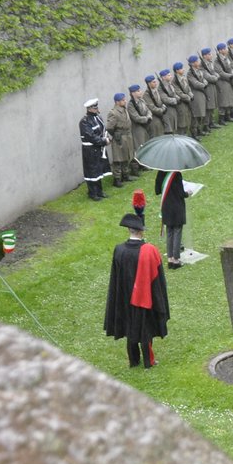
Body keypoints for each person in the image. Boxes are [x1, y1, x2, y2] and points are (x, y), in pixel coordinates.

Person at [104, 212, 169, 369]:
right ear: (141, 231)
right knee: (145, 328)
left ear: (129, 231)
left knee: (129, 326)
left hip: (124, 298)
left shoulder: (119, 250)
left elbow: (116, 278)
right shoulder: (149, 250)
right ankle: (149, 361)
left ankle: (133, 361)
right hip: (144, 297)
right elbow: (158, 280)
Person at [79, 98, 110, 200]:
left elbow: (102, 131)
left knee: (98, 170)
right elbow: (90, 136)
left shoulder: (97, 117)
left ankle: (99, 191)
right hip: (90, 150)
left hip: (98, 149)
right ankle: (92, 193)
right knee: (92, 171)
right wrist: (103, 141)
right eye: (94, 107)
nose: (97, 109)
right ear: (89, 109)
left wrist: (105, 138)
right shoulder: (84, 121)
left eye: (97, 107)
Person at [157, 168, 187, 268]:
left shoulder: (160, 172)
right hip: (177, 207)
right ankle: (176, 260)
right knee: (177, 232)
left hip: (166, 206)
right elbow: (181, 193)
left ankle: (170, 259)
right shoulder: (176, 174)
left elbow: (157, 190)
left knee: (169, 231)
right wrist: (188, 193)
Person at [105, 91, 135, 187]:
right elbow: (109, 127)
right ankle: (117, 178)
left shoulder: (124, 109)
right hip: (119, 137)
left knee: (126, 156)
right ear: (117, 102)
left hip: (127, 136)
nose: (125, 101)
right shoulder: (113, 112)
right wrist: (115, 134)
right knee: (118, 159)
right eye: (122, 100)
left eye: (125, 99)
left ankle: (125, 174)